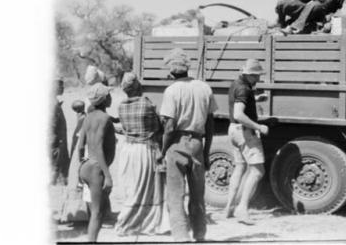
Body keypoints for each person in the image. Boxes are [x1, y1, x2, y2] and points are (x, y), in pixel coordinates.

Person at [159, 48, 218, 242]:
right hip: (197, 144)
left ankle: (181, 237)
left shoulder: (171, 91)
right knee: (198, 196)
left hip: (177, 143)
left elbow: (168, 128)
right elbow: (210, 125)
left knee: (175, 196)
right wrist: (207, 151)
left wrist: (162, 151)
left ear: (171, 71)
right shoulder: (204, 88)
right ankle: (200, 236)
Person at [114, 72, 170, 236]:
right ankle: (139, 222)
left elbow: (125, 129)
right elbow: (157, 128)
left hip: (128, 150)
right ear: (138, 87)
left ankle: (130, 221)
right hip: (144, 150)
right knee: (146, 188)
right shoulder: (147, 105)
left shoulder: (121, 106)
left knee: (132, 188)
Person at [223, 59, 270, 225]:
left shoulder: (237, 84)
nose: (258, 78)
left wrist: (255, 100)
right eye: (256, 76)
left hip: (233, 131)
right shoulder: (244, 88)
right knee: (257, 171)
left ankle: (228, 207)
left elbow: (238, 104)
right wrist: (259, 126)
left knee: (240, 167)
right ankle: (242, 209)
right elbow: (238, 114)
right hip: (245, 132)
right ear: (249, 75)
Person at [77, 83, 116, 242]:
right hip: (96, 169)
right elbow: (99, 147)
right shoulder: (104, 118)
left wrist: (82, 161)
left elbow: (81, 146)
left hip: (86, 167)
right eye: (109, 95)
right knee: (97, 213)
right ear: (104, 99)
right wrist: (107, 175)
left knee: (98, 208)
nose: (111, 97)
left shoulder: (88, 117)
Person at [50, 78, 70, 185]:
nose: (63, 88)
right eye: (60, 86)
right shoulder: (51, 104)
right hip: (56, 148)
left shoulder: (55, 102)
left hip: (60, 147)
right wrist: (55, 149)